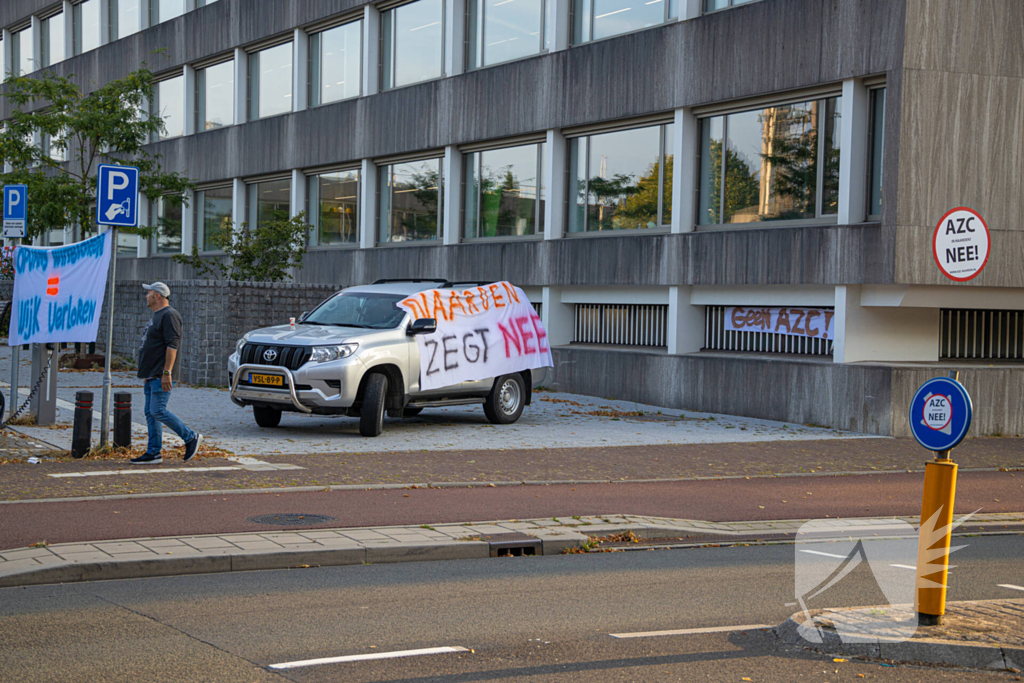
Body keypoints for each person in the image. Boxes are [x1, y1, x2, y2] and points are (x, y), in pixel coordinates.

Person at [130, 282, 203, 465]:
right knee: (150, 412)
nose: (146, 296)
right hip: (152, 374)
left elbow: (173, 345)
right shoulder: (157, 315)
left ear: (158, 296)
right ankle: (153, 452)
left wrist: (167, 372)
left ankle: (190, 437)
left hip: (161, 374)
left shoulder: (169, 315)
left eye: (149, 293)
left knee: (157, 410)